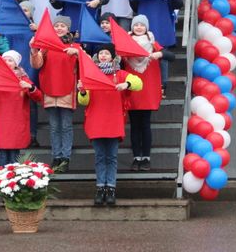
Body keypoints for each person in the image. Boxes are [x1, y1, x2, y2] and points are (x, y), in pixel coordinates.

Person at [77, 46, 142, 206]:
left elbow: (138, 83)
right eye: (101, 53)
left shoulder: (120, 74)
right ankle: (100, 188)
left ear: (112, 57)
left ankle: (111, 188)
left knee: (111, 157)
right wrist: (82, 92)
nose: (103, 56)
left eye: (106, 53)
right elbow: (83, 101)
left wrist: (126, 84)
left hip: (113, 120)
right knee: (100, 157)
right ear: (97, 56)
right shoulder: (91, 74)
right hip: (96, 120)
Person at [30, 15, 80, 173]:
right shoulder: (45, 46)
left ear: (68, 28)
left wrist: (78, 54)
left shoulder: (75, 46)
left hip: (67, 89)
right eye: (56, 25)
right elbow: (37, 64)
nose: (59, 28)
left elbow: (86, 64)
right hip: (50, 89)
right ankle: (56, 156)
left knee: (65, 126)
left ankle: (65, 158)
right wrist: (34, 49)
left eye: (62, 26)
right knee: (54, 126)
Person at [124, 14, 174, 172]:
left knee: (145, 124)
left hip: (147, 90)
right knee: (134, 125)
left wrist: (160, 54)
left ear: (146, 28)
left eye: (142, 25)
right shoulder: (124, 43)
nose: (139, 27)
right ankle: (136, 157)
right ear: (132, 27)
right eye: (136, 25)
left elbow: (170, 56)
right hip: (131, 89)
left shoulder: (152, 42)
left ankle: (146, 158)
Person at [0, 50, 44, 168]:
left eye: (10, 60)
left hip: (17, 123)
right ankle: (4, 184)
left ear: (16, 63)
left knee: (15, 157)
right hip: (1, 123)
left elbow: (38, 97)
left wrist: (30, 87)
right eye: (5, 60)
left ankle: (13, 184)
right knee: (3, 157)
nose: (7, 62)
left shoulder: (23, 79)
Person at [130, 0, 182, 94]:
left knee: (161, 55)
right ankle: (144, 85)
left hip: (162, 22)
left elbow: (179, 4)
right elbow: (134, 6)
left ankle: (162, 86)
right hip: (144, 24)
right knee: (142, 54)